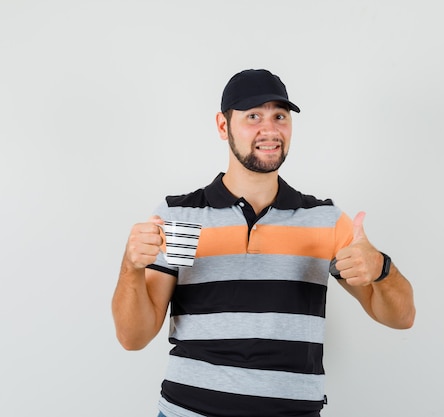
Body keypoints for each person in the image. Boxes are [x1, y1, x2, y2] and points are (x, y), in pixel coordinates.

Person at [112, 68, 416, 417]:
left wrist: (382, 269)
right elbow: (132, 338)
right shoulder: (182, 216)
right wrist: (130, 268)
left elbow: (402, 318)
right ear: (223, 126)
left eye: (279, 116)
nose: (269, 129)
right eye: (253, 116)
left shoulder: (324, 219)